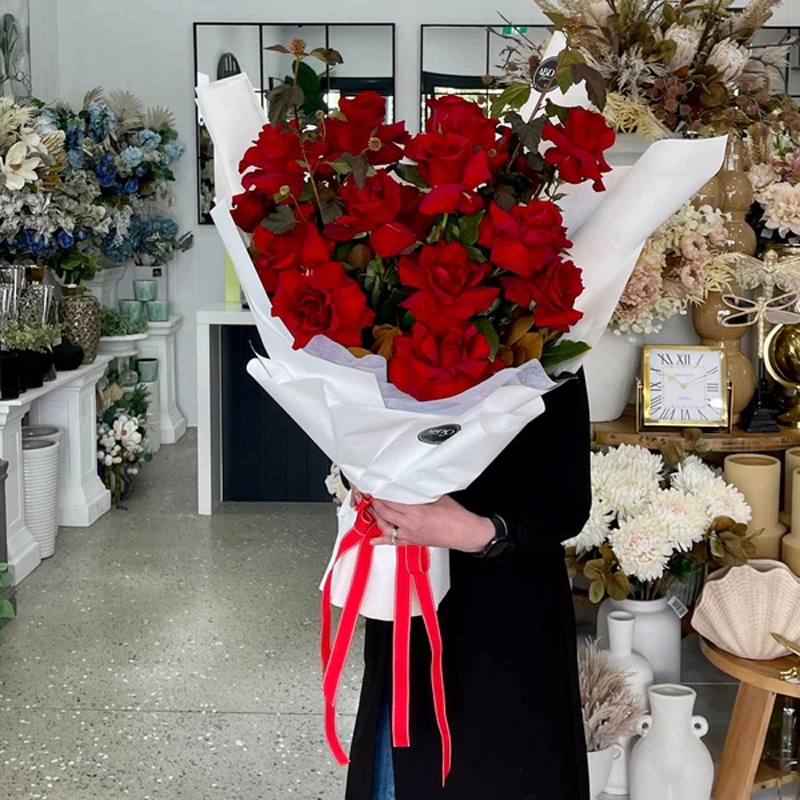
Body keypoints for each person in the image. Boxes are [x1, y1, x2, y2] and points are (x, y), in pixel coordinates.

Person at [344, 371, 593, 800]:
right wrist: (368, 482)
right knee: (406, 762)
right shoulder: (388, 321)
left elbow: (569, 501)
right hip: (409, 593)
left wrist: (479, 531)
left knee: (504, 766)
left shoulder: (549, 331)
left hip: (511, 609)